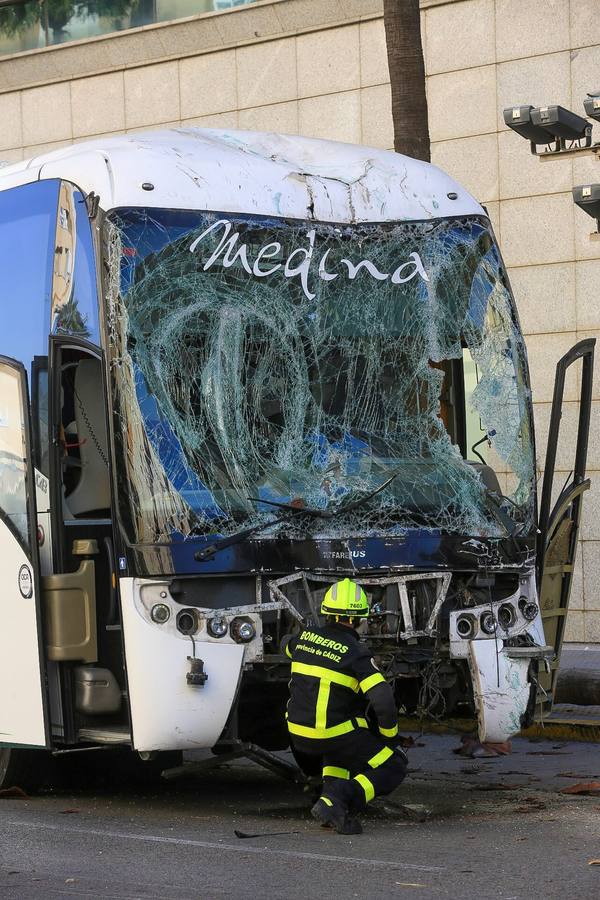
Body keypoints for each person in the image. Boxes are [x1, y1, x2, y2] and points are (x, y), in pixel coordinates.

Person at [284, 578, 407, 834]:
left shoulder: (303, 639)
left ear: (326, 612)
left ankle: (329, 800)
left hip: (298, 735)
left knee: (341, 746)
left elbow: (286, 644)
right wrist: (390, 739)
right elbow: (383, 700)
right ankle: (342, 796)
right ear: (357, 620)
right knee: (393, 764)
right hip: (329, 733)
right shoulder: (356, 653)